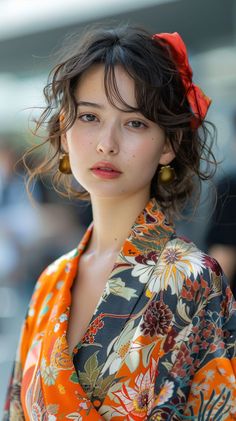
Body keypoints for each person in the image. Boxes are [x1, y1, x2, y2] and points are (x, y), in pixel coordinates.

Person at [3, 24, 236, 420]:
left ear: (168, 145)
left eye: (135, 123)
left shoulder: (193, 280)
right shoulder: (50, 283)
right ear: (64, 130)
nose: (106, 142)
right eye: (90, 116)